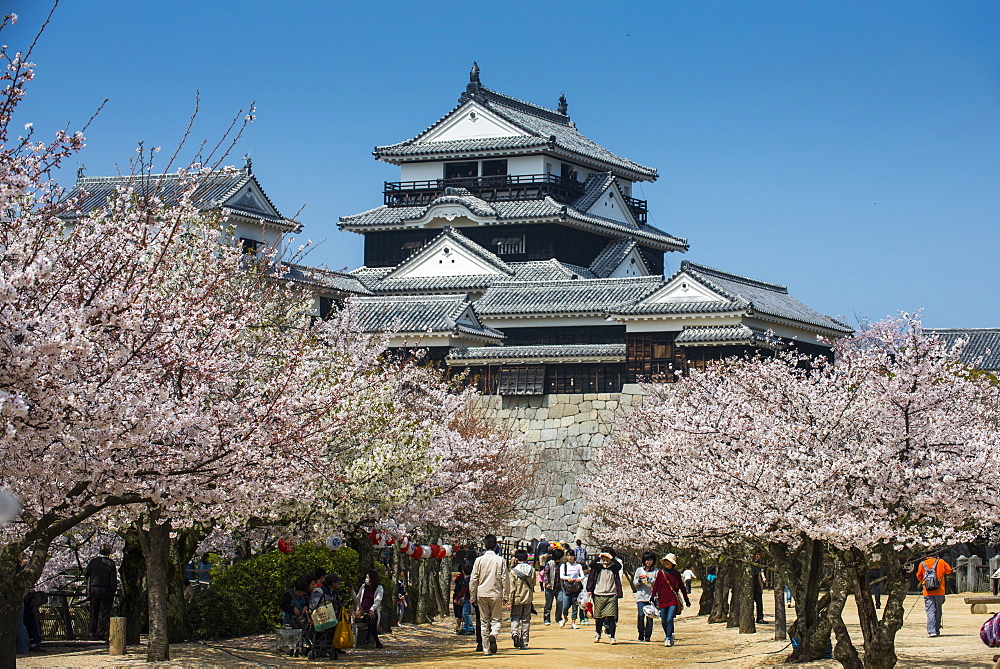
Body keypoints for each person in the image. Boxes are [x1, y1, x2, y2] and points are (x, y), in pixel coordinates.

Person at [469, 534, 510, 656]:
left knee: (484, 621)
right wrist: (506, 595)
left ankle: (486, 649)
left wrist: (473, 595)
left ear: (485, 545)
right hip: (496, 593)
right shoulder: (501, 561)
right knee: (496, 619)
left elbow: (473, 579)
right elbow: (505, 579)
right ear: (496, 545)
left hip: (482, 593)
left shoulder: (479, 560)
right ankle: (494, 633)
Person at [652, 553, 690, 647]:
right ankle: (668, 634)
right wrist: (652, 596)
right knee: (663, 620)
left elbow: (682, 587)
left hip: (673, 599)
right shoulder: (661, 573)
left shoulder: (676, 574)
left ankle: (668, 638)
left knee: (669, 619)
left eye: (668, 561)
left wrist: (686, 599)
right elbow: (656, 585)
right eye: (665, 561)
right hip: (662, 599)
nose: (666, 563)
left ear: (672, 563)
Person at [587, 547, 623, 644]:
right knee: (599, 617)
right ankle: (598, 633)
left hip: (611, 594)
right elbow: (591, 566)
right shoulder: (598, 566)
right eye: (604, 557)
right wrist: (589, 590)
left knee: (611, 617)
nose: (605, 560)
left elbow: (619, 566)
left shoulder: (614, 567)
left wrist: (611, 558)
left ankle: (612, 636)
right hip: (599, 594)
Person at [84, 543, 117, 641]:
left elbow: (86, 573)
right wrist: (113, 591)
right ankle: (100, 633)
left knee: (94, 611)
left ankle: (92, 632)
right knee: (104, 612)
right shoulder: (111, 563)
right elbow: (113, 579)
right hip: (106, 589)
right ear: (109, 552)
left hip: (94, 589)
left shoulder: (93, 562)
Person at [916, 555, 952, 637]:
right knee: (938, 610)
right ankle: (937, 628)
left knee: (930, 611)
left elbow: (919, 576)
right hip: (940, 590)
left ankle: (931, 631)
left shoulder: (922, 563)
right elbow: (949, 570)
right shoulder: (941, 562)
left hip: (927, 591)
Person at [508, 548, 535, 649]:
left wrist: (509, 602)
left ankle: (515, 633)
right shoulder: (531, 569)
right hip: (527, 597)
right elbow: (533, 584)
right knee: (526, 620)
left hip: (517, 598)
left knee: (515, 617)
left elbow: (511, 587)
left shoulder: (513, 571)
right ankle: (524, 642)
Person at [354, 569, 384, 648]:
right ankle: (376, 642)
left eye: (368, 577)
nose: (366, 579)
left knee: (371, 618)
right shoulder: (363, 587)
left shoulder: (379, 588)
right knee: (371, 622)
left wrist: (372, 609)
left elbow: (378, 600)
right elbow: (358, 598)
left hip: (372, 611)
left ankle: (368, 638)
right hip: (363, 611)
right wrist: (358, 610)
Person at [633, 552, 658, 642]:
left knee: (650, 617)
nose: (648, 561)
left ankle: (648, 635)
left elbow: (656, 584)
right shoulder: (639, 570)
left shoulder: (656, 571)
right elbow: (635, 583)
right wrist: (639, 579)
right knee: (641, 615)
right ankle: (641, 632)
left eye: (650, 560)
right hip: (641, 597)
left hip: (651, 597)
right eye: (647, 559)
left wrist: (648, 578)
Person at [559, 549, 585, 628]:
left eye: (571, 555)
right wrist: (567, 578)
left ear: (574, 557)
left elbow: (582, 576)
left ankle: (573, 622)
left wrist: (579, 579)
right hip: (567, 588)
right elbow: (561, 576)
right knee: (565, 606)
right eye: (568, 555)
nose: (570, 557)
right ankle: (565, 618)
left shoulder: (578, 566)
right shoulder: (564, 566)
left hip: (576, 588)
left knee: (575, 606)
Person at [542, 547, 564, 625]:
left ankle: (558, 617)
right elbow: (546, 574)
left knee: (560, 601)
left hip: (559, 587)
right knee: (548, 603)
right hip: (550, 587)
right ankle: (546, 618)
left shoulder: (562, 564)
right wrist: (547, 583)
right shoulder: (550, 563)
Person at [453, 569, 469, 633]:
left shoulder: (460, 578)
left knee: (461, 614)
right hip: (461, 596)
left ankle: (462, 627)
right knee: (461, 613)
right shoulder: (463, 578)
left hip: (459, 596)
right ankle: (459, 627)